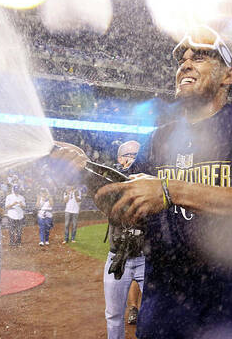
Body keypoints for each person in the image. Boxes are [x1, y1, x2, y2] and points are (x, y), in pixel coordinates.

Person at [67, 25, 232, 339]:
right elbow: (129, 212)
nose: (185, 64)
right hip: (165, 311)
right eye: (182, 59)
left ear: (228, 75)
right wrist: (86, 172)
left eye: (200, 57)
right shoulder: (161, 138)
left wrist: (170, 190)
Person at [103, 140, 145, 338]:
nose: (133, 157)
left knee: (157, 310)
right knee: (113, 314)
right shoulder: (110, 181)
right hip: (118, 257)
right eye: (128, 154)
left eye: (137, 154)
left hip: (147, 258)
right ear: (119, 158)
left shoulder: (148, 180)